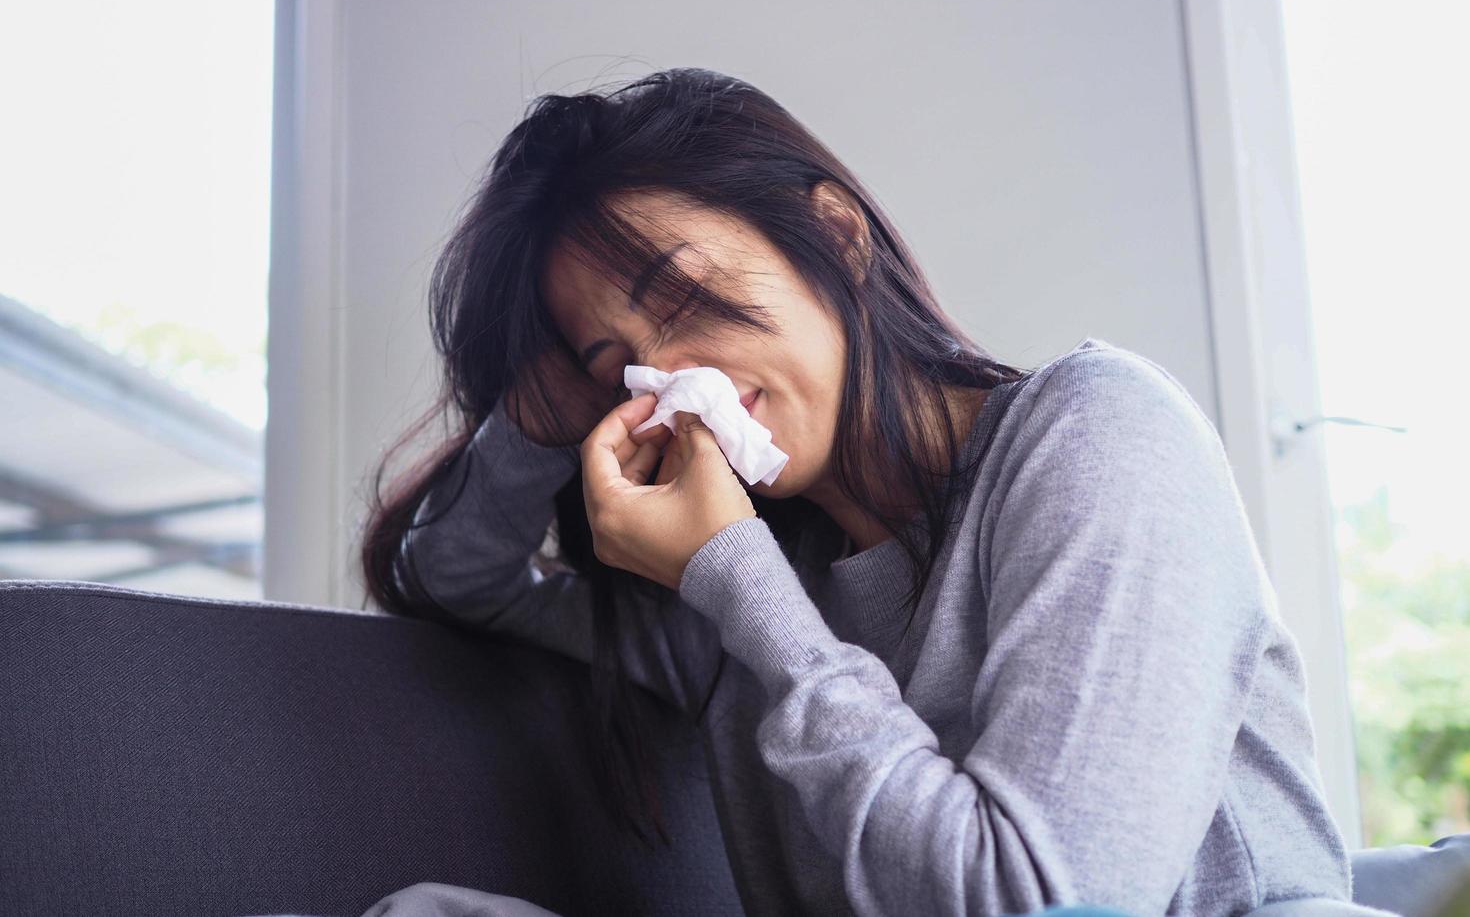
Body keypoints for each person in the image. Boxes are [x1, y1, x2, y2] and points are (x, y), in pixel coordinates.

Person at [358, 67, 1364, 914]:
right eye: (616, 361)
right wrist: (539, 415)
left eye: (683, 297)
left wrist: (737, 579)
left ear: (836, 237)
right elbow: (456, 575)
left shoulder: (1099, 434)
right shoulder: (756, 578)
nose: (669, 374)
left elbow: (1044, 899)